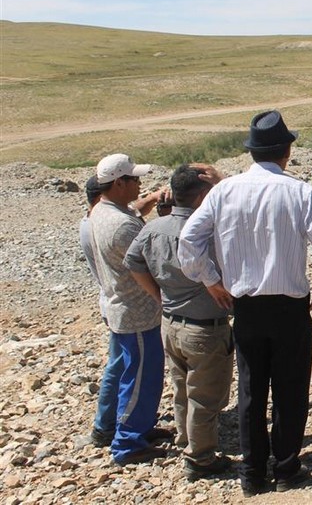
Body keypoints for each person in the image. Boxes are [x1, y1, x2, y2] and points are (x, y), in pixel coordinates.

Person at [178, 110, 312, 497]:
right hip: (289, 307)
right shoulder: (299, 191)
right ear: (287, 151)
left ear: (251, 152)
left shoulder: (224, 191)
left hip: (245, 306)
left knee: (251, 390)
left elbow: (189, 241)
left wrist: (211, 280)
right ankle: (286, 468)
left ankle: (252, 474)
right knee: (290, 388)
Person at [124, 164, 233, 481]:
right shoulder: (208, 233)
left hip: (170, 322)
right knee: (205, 396)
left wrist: (158, 295)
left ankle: (186, 440)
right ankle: (200, 458)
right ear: (201, 197)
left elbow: (133, 261)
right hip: (205, 327)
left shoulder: (154, 228)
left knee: (181, 388)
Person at [89, 154, 172, 465]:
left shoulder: (101, 211)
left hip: (120, 307)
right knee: (141, 379)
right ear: (119, 183)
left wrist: (150, 200)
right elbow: (152, 257)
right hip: (138, 312)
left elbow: (131, 210)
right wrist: (166, 217)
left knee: (126, 370)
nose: (139, 184)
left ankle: (128, 427)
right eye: (135, 180)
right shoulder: (123, 226)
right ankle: (128, 442)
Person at [80, 176, 125, 448]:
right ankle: (106, 425)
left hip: (110, 302)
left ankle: (112, 422)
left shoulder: (91, 221)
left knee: (120, 364)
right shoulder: (105, 223)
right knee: (120, 366)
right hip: (121, 305)